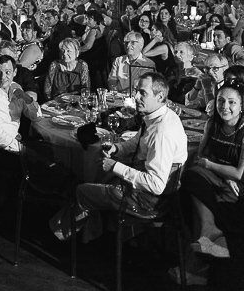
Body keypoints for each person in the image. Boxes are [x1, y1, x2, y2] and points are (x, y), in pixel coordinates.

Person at [51, 71, 187, 242]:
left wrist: (115, 166)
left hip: (147, 201)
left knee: (83, 190)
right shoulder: (160, 115)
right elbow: (137, 142)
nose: (136, 97)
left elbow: (156, 185)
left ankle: (62, 236)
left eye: (142, 93)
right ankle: (96, 236)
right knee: (101, 174)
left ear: (160, 96)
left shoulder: (162, 132)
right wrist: (117, 149)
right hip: (147, 189)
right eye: (136, 91)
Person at [177, 76, 244, 284]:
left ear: (242, 106)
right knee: (190, 178)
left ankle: (196, 269)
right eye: (221, 101)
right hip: (218, 179)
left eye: (232, 102)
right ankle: (208, 235)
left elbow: (238, 174)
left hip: (237, 187)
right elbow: (200, 156)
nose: (225, 106)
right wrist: (222, 173)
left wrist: (213, 167)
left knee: (196, 186)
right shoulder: (212, 124)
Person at [0, 53, 41, 152]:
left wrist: (28, 99)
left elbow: (36, 117)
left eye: (7, 72)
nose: (3, 77)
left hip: (16, 140)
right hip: (0, 149)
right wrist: (22, 149)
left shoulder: (15, 87)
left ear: (15, 72)